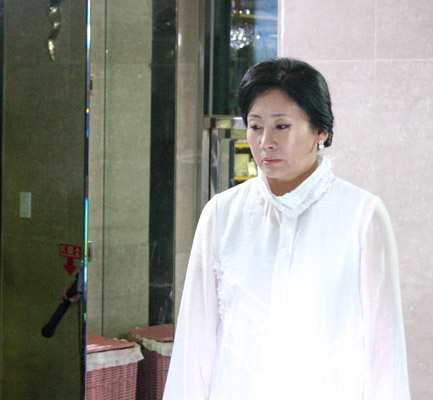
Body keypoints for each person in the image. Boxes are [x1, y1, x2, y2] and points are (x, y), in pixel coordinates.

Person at [163, 58, 410, 399]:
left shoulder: (362, 216)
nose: (266, 141)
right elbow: (195, 344)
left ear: (320, 131)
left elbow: (385, 353)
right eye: (255, 126)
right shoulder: (222, 214)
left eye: (282, 126)